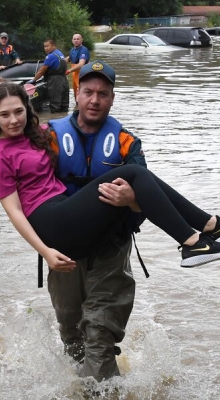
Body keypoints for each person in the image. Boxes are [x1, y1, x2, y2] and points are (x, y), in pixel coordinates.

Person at [0, 82, 220, 377]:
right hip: (50, 221)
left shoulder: (36, 136)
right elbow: (14, 211)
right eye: (5, 115)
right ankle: (199, 238)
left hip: (68, 214)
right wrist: (45, 252)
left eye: (18, 112)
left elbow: (73, 127)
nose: (14, 120)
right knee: (134, 173)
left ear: (27, 110)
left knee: (138, 176)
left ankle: (209, 229)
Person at [44, 60, 144, 381]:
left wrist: (132, 198)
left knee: (99, 332)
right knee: (71, 332)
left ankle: (103, 392)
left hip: (110, 249)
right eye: (88, 92)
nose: (95, 100)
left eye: (103, 93)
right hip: (65, 252)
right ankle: (85, 384)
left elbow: (149, 194)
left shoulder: (127, 142)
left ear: (112, 98)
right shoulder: (49, 137)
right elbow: (28, 190)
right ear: (77, 93)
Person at [28, 39, 69, 113]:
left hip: (55, 82)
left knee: (55, 104)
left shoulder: (50, 56)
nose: (46, 48)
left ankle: (54, 119)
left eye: (47, 46)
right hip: (64, 80)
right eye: (44, 46)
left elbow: (41, 71)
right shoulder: (60, 53)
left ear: (53, 46)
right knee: (64, 104)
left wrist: (34, 80)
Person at [65, 33, 90, 101]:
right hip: (74, 75)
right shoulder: (72, 50)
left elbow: (81, 64)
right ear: (72, 41)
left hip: (82, 74)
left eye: (78, 39)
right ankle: (77, 108)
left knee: (82, 92)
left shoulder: (83, 50)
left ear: (81, 40)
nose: (76, 40)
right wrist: (59, 61)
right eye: (74, 39)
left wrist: (69, 70)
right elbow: (69, 59)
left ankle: (82, 108)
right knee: (75, 93)